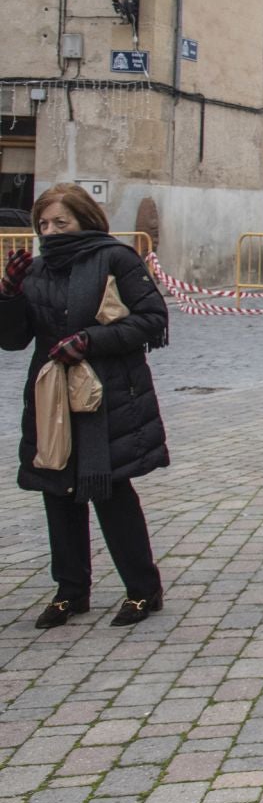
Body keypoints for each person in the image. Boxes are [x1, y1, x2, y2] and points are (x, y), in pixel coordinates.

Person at [0, 184, 169, 629]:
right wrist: (8, 294)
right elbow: (14, 339)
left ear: (85, 220)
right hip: (51, 393)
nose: (51, 231)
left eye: (61, 222)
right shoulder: (37, 270)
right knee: (58, 491)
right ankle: (70, 591)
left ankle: (143, 588)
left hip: (108, 394)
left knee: (110, 492)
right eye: (43, 224)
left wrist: (91, 341)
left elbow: (152, 320)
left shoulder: (116, 259)